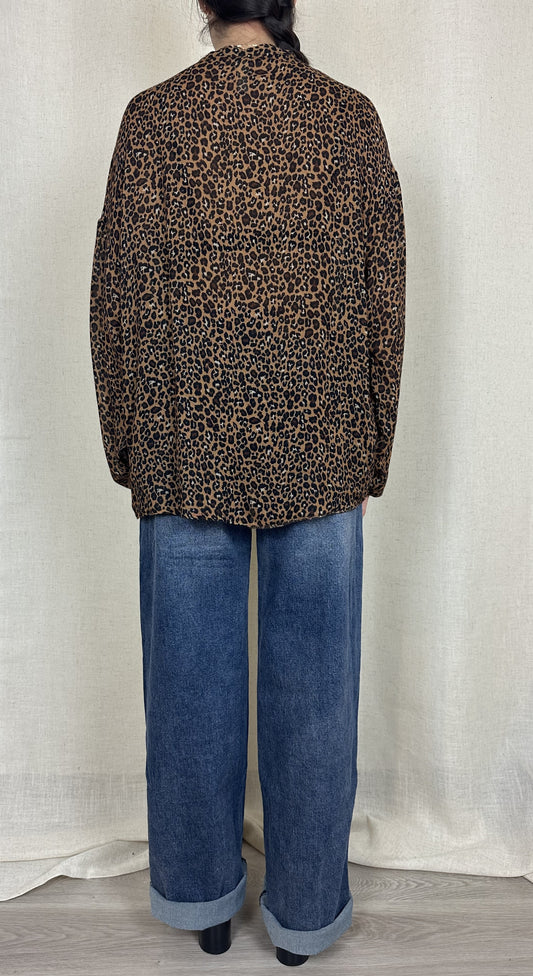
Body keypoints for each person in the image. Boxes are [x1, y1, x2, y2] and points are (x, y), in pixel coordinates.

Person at [89, 0, 406, 965]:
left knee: (188, 687)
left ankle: (202, 903)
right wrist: (371, 444)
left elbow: (114, 297)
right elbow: (384, 295)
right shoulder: (348, 119)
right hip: (323, 436)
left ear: (204, 4)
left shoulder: (154, 120)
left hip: (183, 440)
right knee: (316, 694)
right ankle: (304, 917)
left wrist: (127, 446)